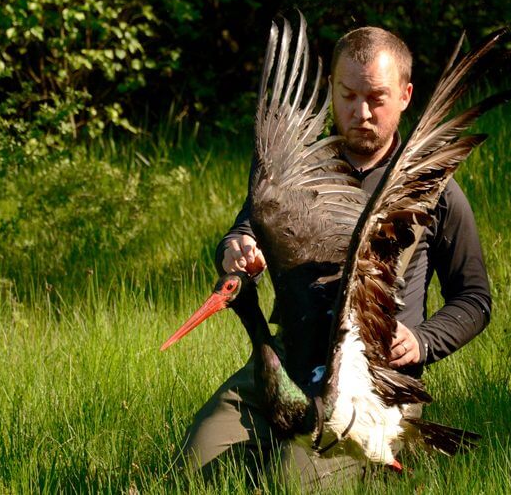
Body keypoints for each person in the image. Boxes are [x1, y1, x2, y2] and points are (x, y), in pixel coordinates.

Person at [174, 26, 492, 488]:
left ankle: (376, 465)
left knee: (293, 483)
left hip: (371, 390)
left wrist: (422, 341)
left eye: (376, 98)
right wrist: (234, 248)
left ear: (405, 96)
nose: (361, 112)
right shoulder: (297, 173)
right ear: (331, 91)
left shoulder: (433, 190)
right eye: (347, 95)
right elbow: (247, 226)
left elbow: (475, 300)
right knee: (190, 473)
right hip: (285, 362)